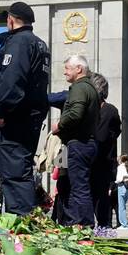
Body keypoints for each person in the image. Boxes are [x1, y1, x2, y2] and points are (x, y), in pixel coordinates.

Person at [0, 1, 52, 216]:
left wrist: (1, 111)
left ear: (11, 19)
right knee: (22, 170)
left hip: (16, 118)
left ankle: (21, 226)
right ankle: (25, 222)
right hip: (31, 117)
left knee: (14, 173)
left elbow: (11, 80)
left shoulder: (19, 42)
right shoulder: (39, 44)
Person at [50, 55, 100, 228]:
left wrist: (59, 125)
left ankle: (82, 225)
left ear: (79, 69)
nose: (64, 72)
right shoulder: (90, 88)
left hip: (79, 143)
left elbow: (75, 113)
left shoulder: (79, 88)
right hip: (85, 143)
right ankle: (78, 224)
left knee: (78, 187)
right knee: (77, 186)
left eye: (67, 68)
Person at [90, 72, 122, 227]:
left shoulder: (109, 111)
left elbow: (104, 136)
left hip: (102, 162)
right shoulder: (90, 109)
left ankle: (104, 227)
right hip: (93, 162)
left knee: (101, 198)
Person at [114, 154, 128, 228]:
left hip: (122, 186)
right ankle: (125, 223)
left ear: (120, 160)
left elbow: (119, 178)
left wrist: (115, 182)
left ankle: (124, 224)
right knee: (123, 206)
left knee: (121, 207)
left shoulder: (120, 167)